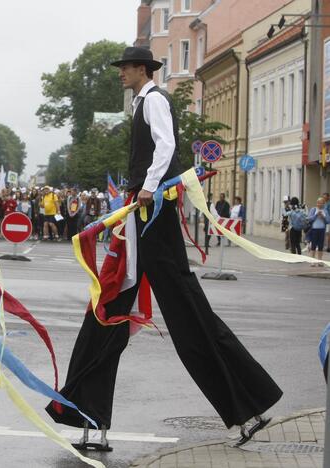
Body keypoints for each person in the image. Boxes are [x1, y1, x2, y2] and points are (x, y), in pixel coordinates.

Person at [46, 47, 281, 450]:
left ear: (142, 69)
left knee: (181, 314)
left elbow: (166, 145)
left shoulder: (154, 100)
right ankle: (88, 414)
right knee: (117, 309)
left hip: (151, 213)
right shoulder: (141, 103)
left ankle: (249, 407)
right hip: (142, 213)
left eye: (125, 68)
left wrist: (150, 189)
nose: (120, 74)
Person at [308, 197, 329, 265]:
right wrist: (316, 215)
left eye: (322, 203)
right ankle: (312, 261)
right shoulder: (313, 210)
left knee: (320, 246)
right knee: (313, 245)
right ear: (317, 203)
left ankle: (320, 261)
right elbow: (309, 219)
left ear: (324, 204)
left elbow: (328, 221)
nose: (320, 204)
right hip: (314, 230)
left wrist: (323, 217)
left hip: (322, 230)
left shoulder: (325, 211)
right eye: (319, 203)